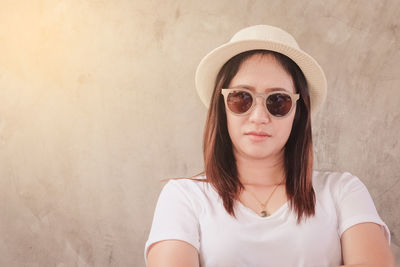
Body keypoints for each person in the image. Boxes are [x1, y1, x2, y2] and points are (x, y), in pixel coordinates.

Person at [144, 25, 395, 266]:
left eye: (278, 101)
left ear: (298, 113)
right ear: (223, 108)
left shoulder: (343, 191)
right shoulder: (184, 197)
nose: (259, 116)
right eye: (242, 98)